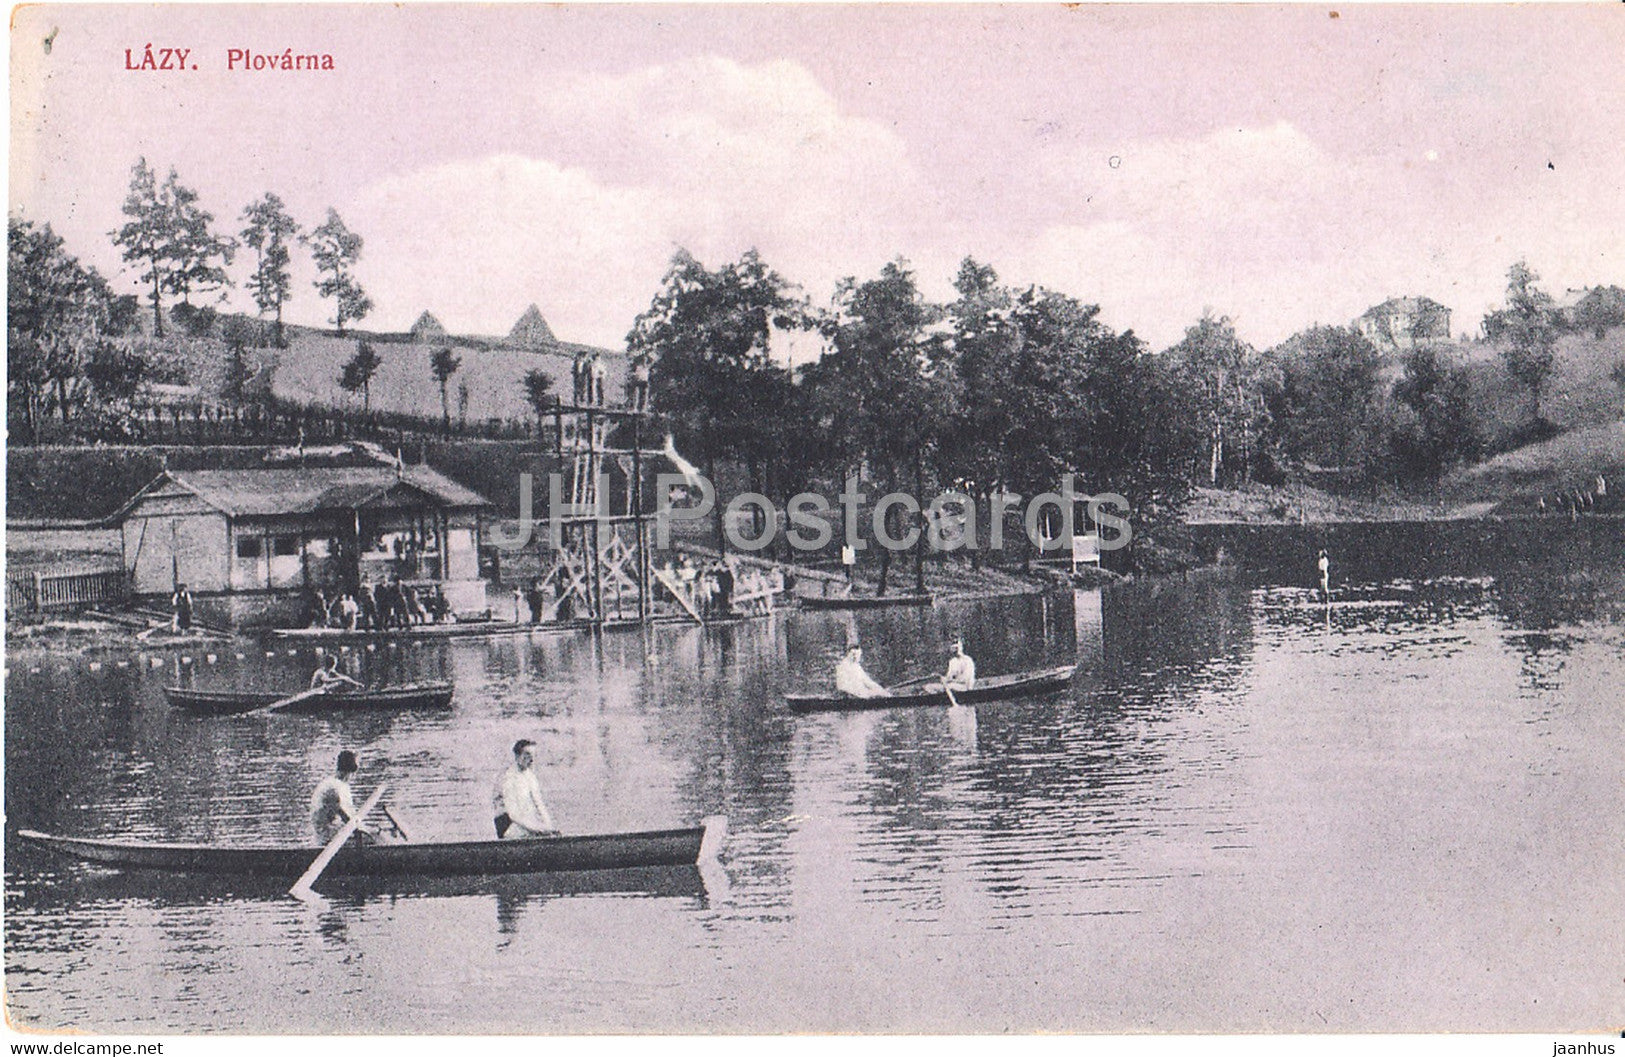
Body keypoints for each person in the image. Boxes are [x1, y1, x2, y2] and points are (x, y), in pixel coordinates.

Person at [310, 750, 383, 845]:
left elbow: (349, 815)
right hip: (326, 838)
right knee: (375, 839)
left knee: (375, 834)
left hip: (332, 831)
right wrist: (364, 831)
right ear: (352, 771)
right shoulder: (332, 788)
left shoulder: (337, 784)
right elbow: (345, 816)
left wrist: (366, 828)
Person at [492, 739, 559, 839]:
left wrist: (549, 827)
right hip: (509, 827)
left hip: (524, 824)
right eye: (527, 755)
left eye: (533, 755)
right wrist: (538, 829)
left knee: (551, 834)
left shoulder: (530, 776)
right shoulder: (508, 778)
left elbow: (539, 804)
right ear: (517, 756)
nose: (531, 759)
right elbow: (513, 815)